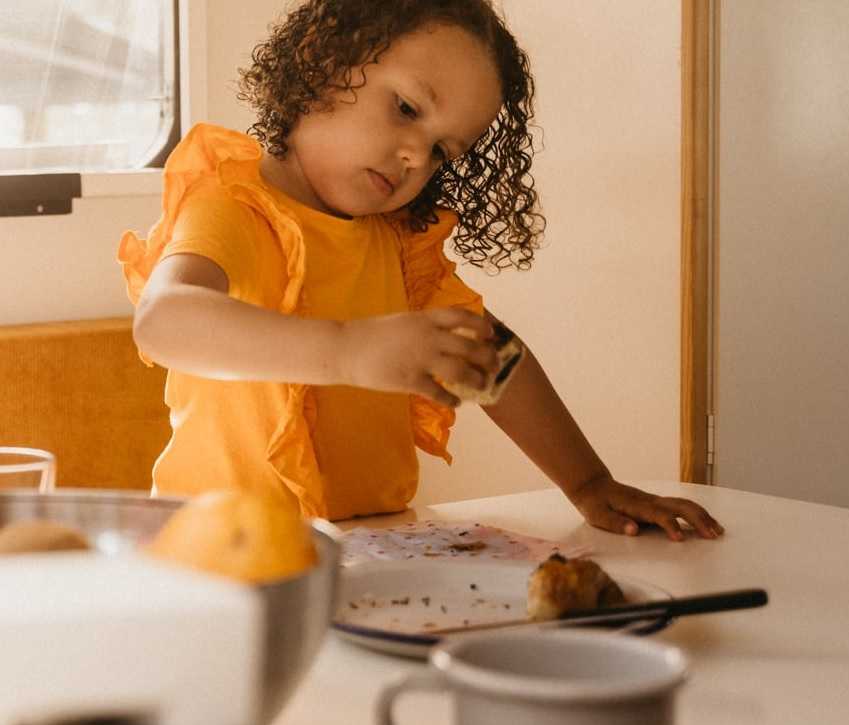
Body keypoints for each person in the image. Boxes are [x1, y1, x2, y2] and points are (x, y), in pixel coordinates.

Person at [119, 0, 723, 542]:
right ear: (325, 61)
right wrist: (349, 349)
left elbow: (492, 357)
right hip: (219, 555)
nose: (414, 156)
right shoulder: (235, 206)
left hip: (371, 544)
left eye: (440, 151)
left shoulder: (397, 243)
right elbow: (165, 322)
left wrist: (589, 484)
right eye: (406, 108)